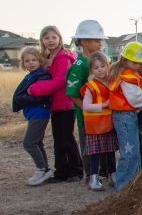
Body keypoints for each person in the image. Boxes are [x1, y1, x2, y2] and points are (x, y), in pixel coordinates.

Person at [27, 25, 83, 182]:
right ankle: (61, 171)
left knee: (67, 137)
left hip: (66, 103)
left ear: (59, 38)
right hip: (54, 104)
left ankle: (76, 170)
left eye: (53, 37)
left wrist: (35, 89)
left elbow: (60, 81)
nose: (50, 40)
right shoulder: (46, 58)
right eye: (46, 38)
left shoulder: (63, 57)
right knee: (58, 139)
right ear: (42, 40)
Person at [66, 20, 109, 182]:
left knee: (104, 143)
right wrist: (86, 109)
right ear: (84, 41)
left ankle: (105, 171)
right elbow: (72, 93)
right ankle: (91, 175)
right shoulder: (79, 65)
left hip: (102, 114)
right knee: (89, 146)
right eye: (97, 40)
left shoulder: (100, 62)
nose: (100, 44)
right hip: (87, 117)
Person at [108, 42, 142, 190]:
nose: (138, 65)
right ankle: (122, 189)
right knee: (130, 154)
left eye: (139, 62)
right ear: (125, 60)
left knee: (133, 153)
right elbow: (135, 100)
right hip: (125, 117)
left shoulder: (123, 73)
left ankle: (131, 187)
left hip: (126, 116)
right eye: (135, 62)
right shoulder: (127, 76)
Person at [12, 47, 53, 186]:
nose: (31, 63)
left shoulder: (42, 76)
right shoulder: (30, 76)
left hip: (40, 113)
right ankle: (45, 169)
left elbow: (42, 96)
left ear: (40, 60)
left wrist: (21, 99)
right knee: (38, 143)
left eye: (34, 60)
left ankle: (40, 169)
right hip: (33, 113)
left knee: (28, 143)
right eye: (27, 61)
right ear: (23, 63)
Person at [81, 52, 118, 191]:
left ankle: (112, 175)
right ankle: (93, 178)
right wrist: (104, 105)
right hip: (96, 125)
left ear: (107, 66)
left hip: (109, 123)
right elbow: (86, 106)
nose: (100, 70)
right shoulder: (90, 86)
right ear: (91, 70)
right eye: (96, 68)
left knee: (110, 151)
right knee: (96, 153)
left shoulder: (112, 81)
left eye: (102, 66)